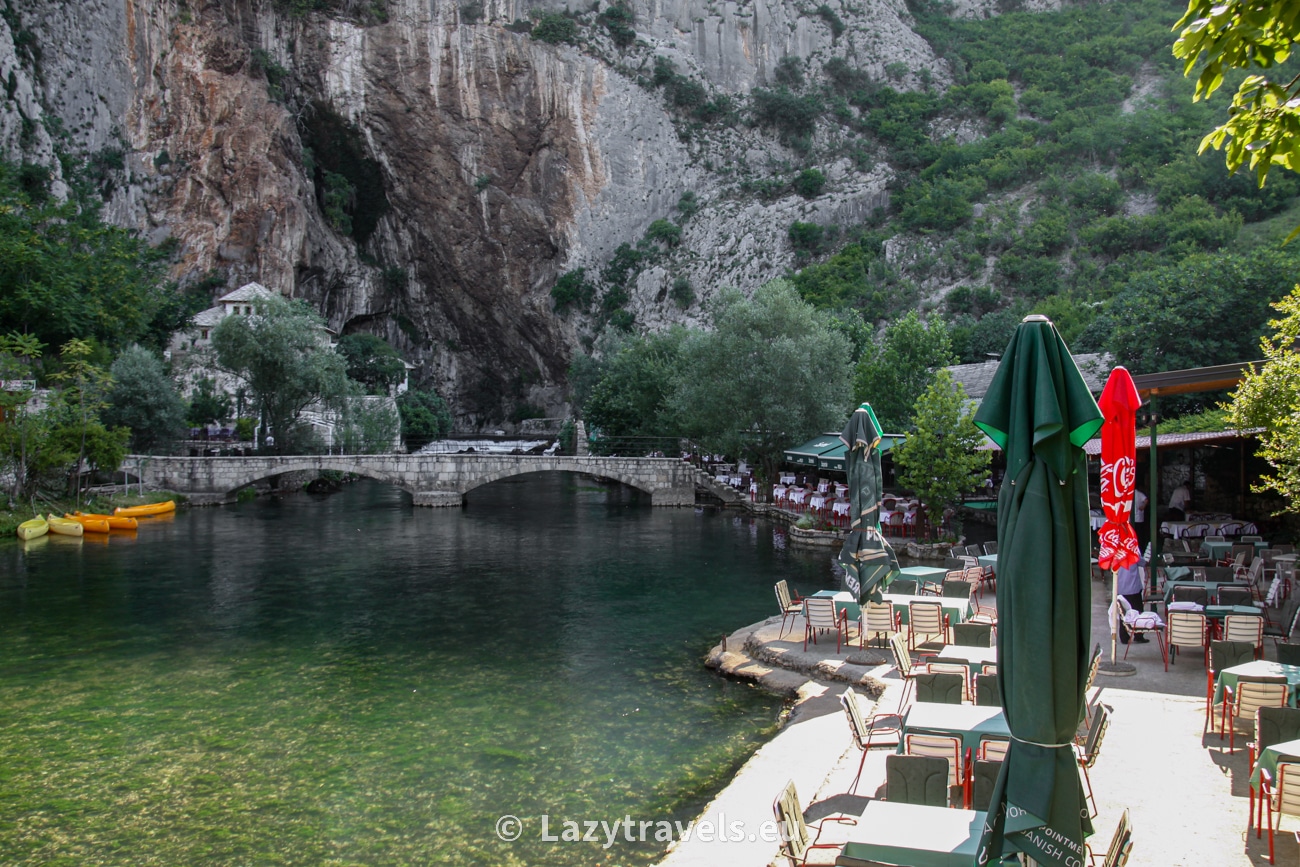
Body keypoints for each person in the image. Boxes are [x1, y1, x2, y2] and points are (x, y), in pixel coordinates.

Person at [1115, 563, 1148, 644]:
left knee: (1123, 612)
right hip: (1134, 588)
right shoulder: (1133, 552)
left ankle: (1124, 637)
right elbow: (1143, 562)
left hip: (1121, 587)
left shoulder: (1118, 553)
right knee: (1138, 611)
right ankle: (1138, 635)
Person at [1133, 484, 1149, 551]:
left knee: (1138, 533)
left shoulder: (1138, 493)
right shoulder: (1137, 493)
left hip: (1138, 517)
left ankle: (1139, 548)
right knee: (1138, 533)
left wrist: (1143, 507)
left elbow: (1146, 500)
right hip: (1135, 517)